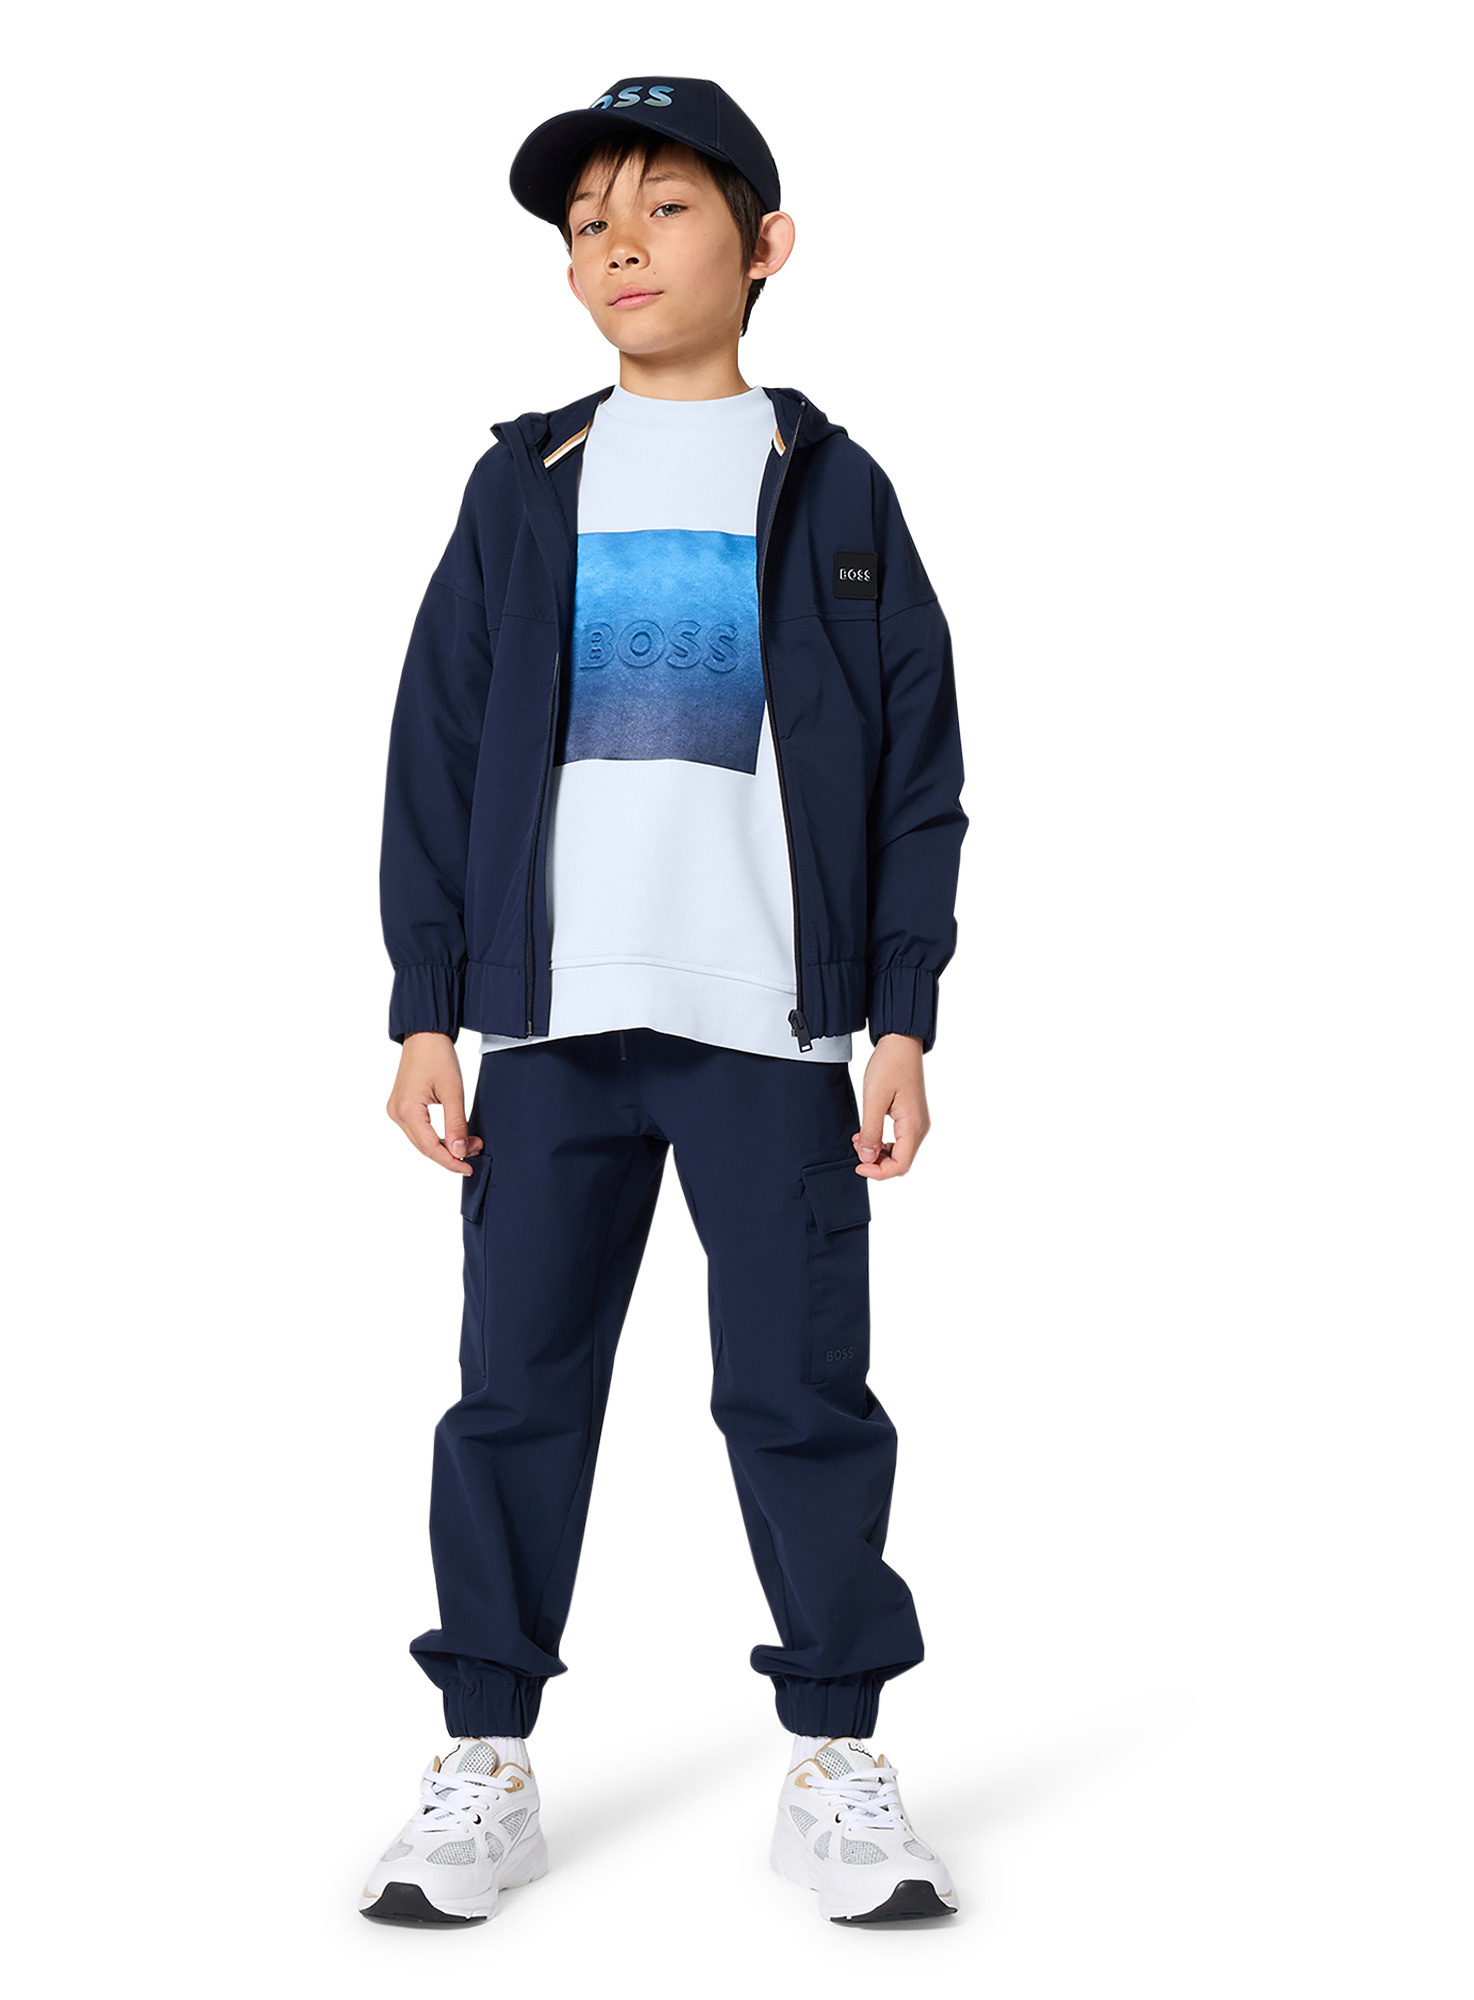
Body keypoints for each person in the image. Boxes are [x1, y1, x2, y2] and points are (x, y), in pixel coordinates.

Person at [363, 76, 969, 1927]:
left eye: (665, 208)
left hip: (772, 1031)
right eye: (586, 226)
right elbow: (435, 743)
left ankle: (838, 1757)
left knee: (799, 1393)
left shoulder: (835, 488)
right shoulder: (525, 483)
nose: (618, 246)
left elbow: (918, 770)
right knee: (513, 1397)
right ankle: (482, 1758)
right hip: (550, 1027)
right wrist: (427, 1005)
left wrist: (900, 1013)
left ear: (767, 244)